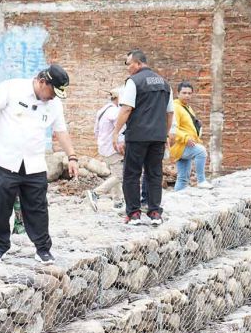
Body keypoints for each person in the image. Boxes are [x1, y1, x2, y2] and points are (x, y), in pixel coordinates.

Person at [0, 64, 79, 264]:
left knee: (38, 207)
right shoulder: (12, 88)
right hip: (7, 160)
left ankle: (42, 248)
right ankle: (0, 246)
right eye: (52, 91)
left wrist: (72, 156)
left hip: (34, 162)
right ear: (42, 82)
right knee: (0, 206)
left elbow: (60, 130)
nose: (53, 97)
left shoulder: (54, 104)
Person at [112, 49, 174, 226]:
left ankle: (134, 214)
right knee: (154, 174)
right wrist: (165, 133)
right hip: (158, 137)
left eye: (128, 64)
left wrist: (116, 132)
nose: (127, 68)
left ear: (139, 63)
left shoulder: (134, 82)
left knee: (131, 174)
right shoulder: (164, 83)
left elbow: (126, 108)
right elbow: (170, 113)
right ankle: (155, 212)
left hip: (138, 136)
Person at [86, 87, 125, 212]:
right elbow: (120, 130)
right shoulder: (114, 111)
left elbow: (95, 131)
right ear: (119, 98)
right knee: (120, 175)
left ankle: (117, 202)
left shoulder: (102, 110)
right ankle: (95, 193)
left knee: (115, 174)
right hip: (112, 148)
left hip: (103, 147)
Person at [170, 81, 213, 191]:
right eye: (184, 93)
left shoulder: (187, 107)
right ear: (178, 93)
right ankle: (201, 180)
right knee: (201, 151)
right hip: (180, 145)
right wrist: (185, 137)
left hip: (186, 144)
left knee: (183, 178)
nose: (187, 95)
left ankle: (175, 200)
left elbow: (187, 126)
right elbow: (172, 127)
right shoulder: (176, 107)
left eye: (189, 93)